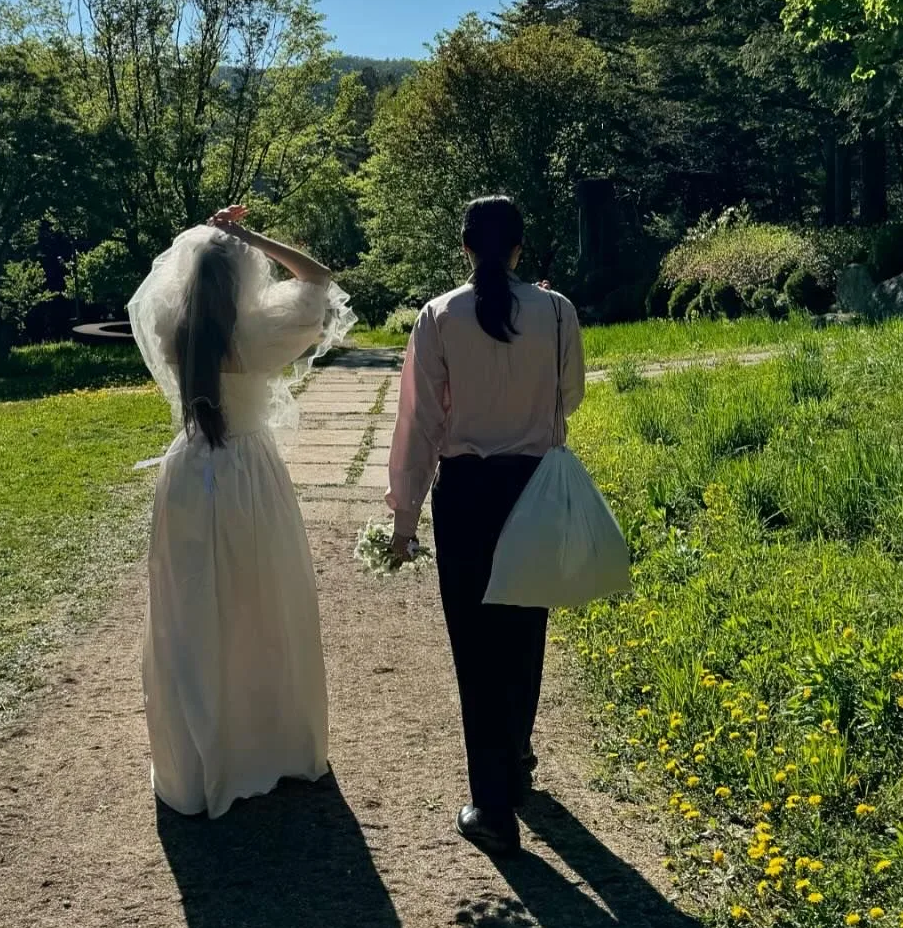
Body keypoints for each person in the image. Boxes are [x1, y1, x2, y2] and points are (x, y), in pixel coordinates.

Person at [127, 206, 353, 818]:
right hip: (248, 476)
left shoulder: (173, 328)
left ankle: (200, 754)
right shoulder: (258, 333)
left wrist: (215, 240)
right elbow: (319, 279)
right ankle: (269, 741)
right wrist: (249, 234)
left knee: (193, 613)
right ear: (244, 276)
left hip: (188, 474)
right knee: (264, 606)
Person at [386, 195, 585, 858]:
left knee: (475, 646)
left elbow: (418, 424)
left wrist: (404, 517)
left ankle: (492, 805)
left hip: (466, 492)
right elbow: (572, 396)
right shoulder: (557, 312)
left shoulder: (438, 316)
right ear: (521, 248)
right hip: (533, 486)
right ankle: (518, 759)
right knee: (526, 629)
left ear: (463, 247)